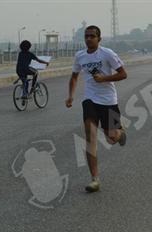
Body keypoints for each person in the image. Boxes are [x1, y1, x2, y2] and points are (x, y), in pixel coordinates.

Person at [65, 25, 127, 193]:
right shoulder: (80, 56)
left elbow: (123, 74)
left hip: (109, 101)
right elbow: (74, 76)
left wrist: (104, 78)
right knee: (90, 136)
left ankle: (120, 132)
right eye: (86, 36)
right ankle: (95, 179)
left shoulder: (107, 54)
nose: (89, 39)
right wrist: (71, 96)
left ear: (99, 39)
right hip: (90, 100)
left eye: (92, 36)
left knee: (111, 138)